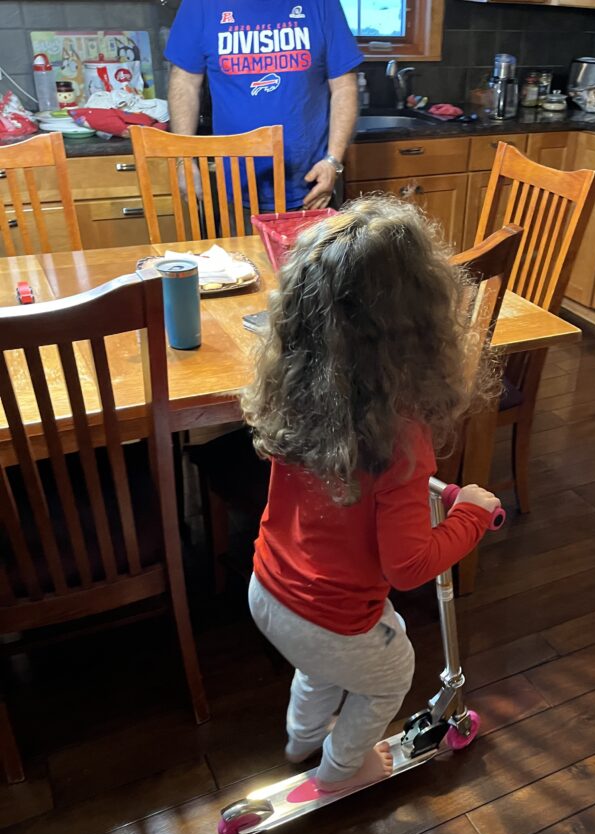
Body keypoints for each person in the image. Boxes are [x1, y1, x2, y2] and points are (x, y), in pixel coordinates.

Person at [241, 196, 502, 792]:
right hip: (331, 617)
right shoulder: (402, 441)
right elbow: (407, 567)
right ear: (424, 326)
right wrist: (470, 514)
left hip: (268, 590)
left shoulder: (296, 394)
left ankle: (301, 738)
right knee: (389, 673)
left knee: (320, 667)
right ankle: (342, 770)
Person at [164, 0, 362, 211]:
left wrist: (333, 161)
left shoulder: (321, 3)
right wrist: (184, 160)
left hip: (312, 190)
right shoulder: (201, 4)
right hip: (234, 190)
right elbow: (184, 82)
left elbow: (344, 86)